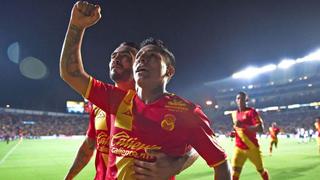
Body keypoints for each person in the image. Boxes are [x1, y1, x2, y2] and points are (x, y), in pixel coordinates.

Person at [59, 1, 231, 180]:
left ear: (169, 71)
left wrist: (177, 164)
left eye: (151, 57)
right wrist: (76, 27)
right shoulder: (116, 101)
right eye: (139, 58)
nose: (142, 61)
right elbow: (71, 74)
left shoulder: (186, 112)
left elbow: (220, 163)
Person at [65, 41, 199, 180]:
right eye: (113, 56)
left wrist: (176, 166)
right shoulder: (98, 103)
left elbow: (196, 147)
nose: (116, 59)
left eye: (126, 57)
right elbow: (89, 145)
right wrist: (68, 177)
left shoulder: (157, 102)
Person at [230, 92, 269, 180]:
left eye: (242, 98)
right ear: (236, 100)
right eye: (238, 98)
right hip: (239, 148)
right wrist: (234, 133)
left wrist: (243, 126)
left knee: (260, 170)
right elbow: (237, 129)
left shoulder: (251, 112)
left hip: (252, 147)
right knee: (235, 173)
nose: (240, 100)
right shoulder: (234, 114)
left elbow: (260, 128)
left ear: (246, 100)